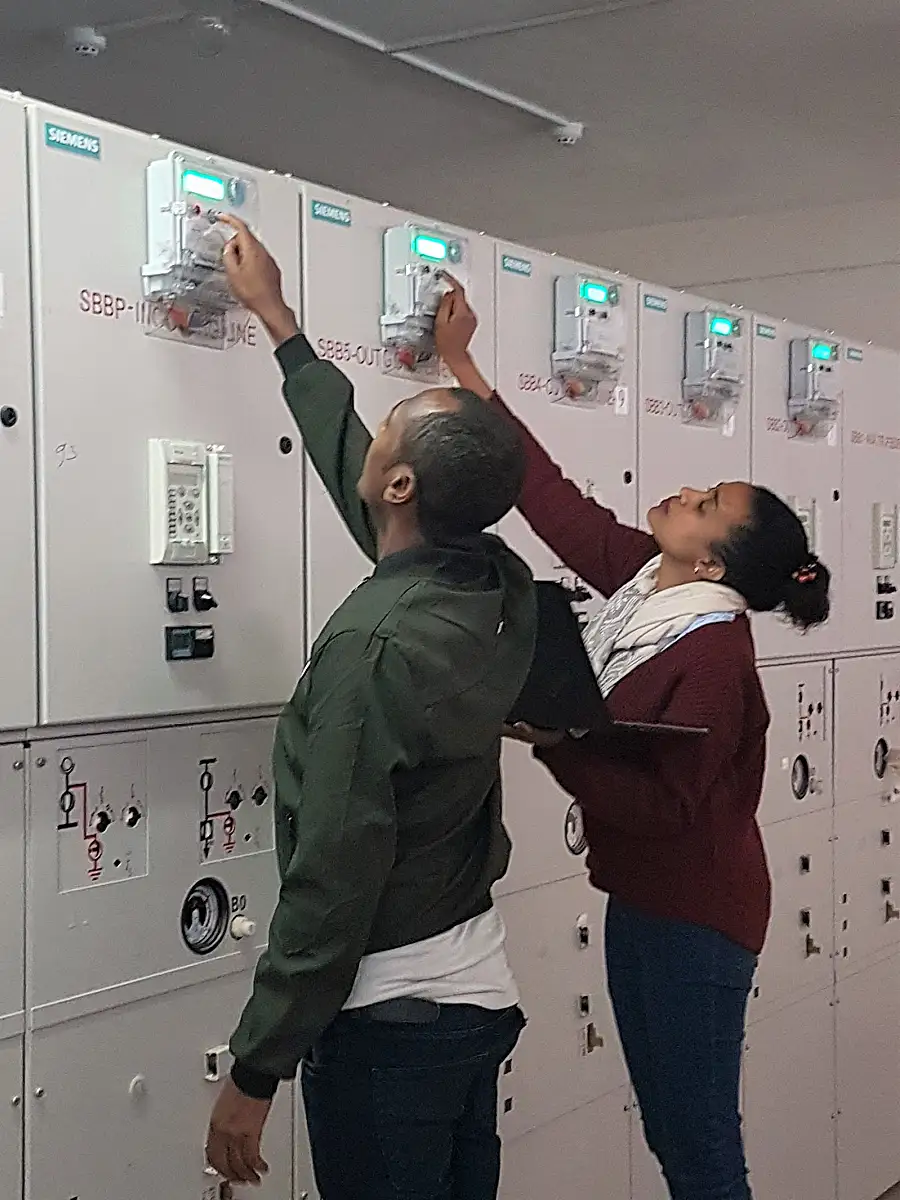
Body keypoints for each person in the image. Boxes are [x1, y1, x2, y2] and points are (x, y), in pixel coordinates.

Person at [432, 283, 831, 1200]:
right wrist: (463, 371)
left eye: (706, 503)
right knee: (670, 1129)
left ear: (714, 562)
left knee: (698, 1146)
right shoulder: (649, 592)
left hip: (699, 916)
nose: (685, 493)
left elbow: (666, 806)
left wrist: (555, 740)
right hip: (645, 902)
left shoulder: (715, 656)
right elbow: (552, 502)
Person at [202, 221, 536, 1200]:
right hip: (474, 998)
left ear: (400, 485)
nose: (378, 427)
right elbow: (379, 497)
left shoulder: (370, 649)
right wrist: (279, 326)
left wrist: (256, 1069)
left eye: (393, 425)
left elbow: (333, 876)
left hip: (392, 1021)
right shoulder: (494, 580)